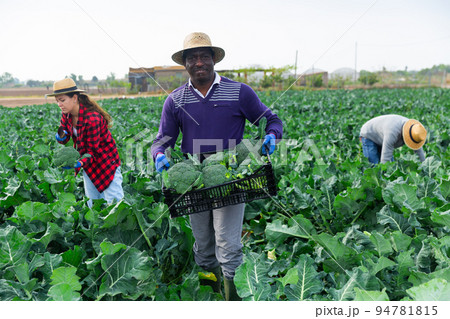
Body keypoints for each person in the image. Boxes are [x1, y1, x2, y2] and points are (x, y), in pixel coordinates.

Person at [151, 32, 283, 300]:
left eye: (204, 56)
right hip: (194, 181)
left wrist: (271, 136)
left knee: (227, 243)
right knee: (203, 246)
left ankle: (233, 298)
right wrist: (159, 154)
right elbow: (162, 139)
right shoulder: (175, 100)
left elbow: (272, 120)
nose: (199, 62)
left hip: (230, 177)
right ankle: (210, 296)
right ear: (185, 64)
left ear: (213, 60)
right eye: (192, 58)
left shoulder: (239, 92)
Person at [48, 78, 124, 207]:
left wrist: (78, 163)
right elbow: (64, 134)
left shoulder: (92, 119)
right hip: (88, 165)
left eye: (62, 100)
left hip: (106, 163)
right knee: (93, 205)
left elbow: (92, 151)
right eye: (57, 101)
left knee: (115, 204)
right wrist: (60, 136)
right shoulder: (66, 114)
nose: (59, 104)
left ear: (75, 98)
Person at [360, 114, 427, 164]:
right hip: (369, 134)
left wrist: (424, 167)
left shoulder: (415, 132)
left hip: (382, 135)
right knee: (373, 165)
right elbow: (385, 159)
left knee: (391, 165)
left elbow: (419, 153)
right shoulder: (392, 133)